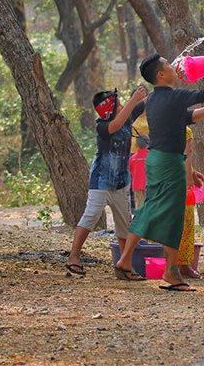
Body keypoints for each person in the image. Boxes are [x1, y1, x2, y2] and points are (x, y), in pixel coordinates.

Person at [114, 53, 204, 292]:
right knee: (174, 215)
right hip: (169, 163)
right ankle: (171, 271)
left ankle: (125, 261)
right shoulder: (173, 96)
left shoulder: (155, 99)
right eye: (168, 65)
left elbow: (186, 117)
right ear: (160, 74)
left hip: (156, 161)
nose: (174, 67)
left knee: (149, 208)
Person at [66, 86, 147, 276]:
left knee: (124, 223)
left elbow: (149, 101)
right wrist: (133, 100)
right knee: (91, 214)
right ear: (107, 110)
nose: (122, 106)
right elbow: (115, 126)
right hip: (101, 181)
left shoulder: (127, 117)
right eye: (118, 104)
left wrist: (167, 80)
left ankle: (124, 264)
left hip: (121, 183)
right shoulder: (102, 126)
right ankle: (74, 256)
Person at [178, 127, 202, 279]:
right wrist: (188, 182)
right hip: (180, 181)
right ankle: (184, 266)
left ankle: (168, 263)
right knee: (185, 225)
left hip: (163, 176)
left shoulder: (159, 124)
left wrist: (193, 174)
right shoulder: (185, 131)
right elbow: (185, 157)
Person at [129, 135, 149, 211]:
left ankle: (141, 221)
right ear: (148, 144)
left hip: (137, 186)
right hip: (149, 185)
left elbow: (130, 171)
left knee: (140, 206)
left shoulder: (132, 158)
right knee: (149, 205)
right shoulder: (150, 157)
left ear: (136, 145)